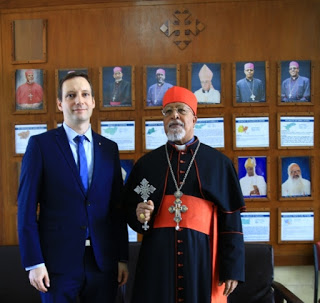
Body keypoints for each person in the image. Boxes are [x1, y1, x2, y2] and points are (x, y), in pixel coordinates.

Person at [123, 86, 245, 303]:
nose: (174, 116)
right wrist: (140, 216)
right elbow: (131, 215)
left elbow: (231, 221)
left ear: (194, 118)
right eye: (168, 111)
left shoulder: (219, 164)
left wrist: (232, 268)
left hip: (202, 258)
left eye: (181, 110)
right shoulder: (147, 165)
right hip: (157, 260)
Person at [17, 71, 129, 303]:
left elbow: (116, 210)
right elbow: (26, 209)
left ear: (93, 102)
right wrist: (34, 263)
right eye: (71, 95)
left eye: (85, 94)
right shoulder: (40, 146)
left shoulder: (109, 148)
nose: (79, 100)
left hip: (102, 262)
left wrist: (121, 257)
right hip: (55, 265)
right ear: (60, 103)